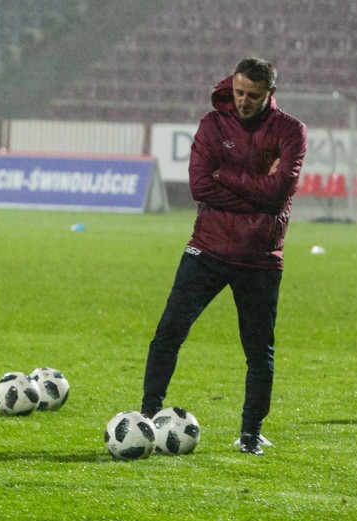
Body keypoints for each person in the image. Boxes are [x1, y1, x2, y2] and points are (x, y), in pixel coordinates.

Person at [140, 57, 307, 455]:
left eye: (252, 95)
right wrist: (255, 192)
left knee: (257, 350)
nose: (243, 101)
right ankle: (147, 416)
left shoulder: (291, 131)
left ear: (271, 94)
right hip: (207, 248)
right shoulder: (213, 124)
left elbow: (278, 193)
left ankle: (250, 434)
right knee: (168, 332)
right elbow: (199, 185)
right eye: (238, 93)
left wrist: (226, 176)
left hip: (260, 255)